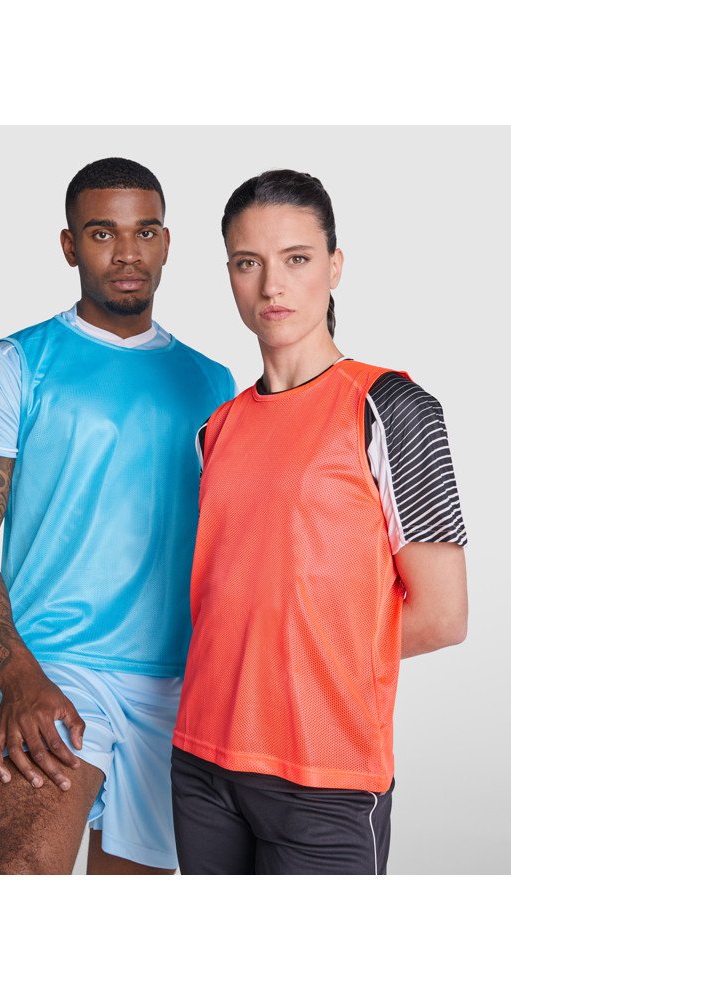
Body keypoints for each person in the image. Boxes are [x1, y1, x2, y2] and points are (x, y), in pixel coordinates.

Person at [0, 157, 235, 874]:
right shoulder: (14, 365)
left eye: (145, 232)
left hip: (180, 692)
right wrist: (19, 678)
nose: (127, 252)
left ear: (166, 243)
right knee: (20, 870)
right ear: (70, 246)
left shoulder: (214, 383)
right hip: (58, 673)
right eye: (103, 233)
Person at [170, 169, 468, 875]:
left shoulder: (392, 408)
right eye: (248, 263)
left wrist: (306, 666)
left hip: (324, 772)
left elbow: (443, 616)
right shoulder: (216, 429)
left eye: (296, 259)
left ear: (334, 266)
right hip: (202, 761)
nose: (272, 285)